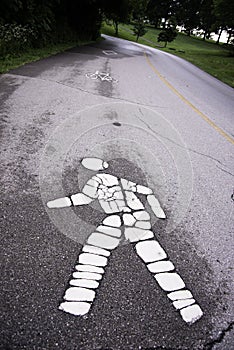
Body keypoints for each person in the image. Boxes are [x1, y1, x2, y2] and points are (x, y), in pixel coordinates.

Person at [47, 157, 203, 324]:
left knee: (94, 255)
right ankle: (187, 305)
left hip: (116, 218)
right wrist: (157, 210)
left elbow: (82, 199)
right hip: (138, 216)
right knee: (158, 262)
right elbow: (144, 191)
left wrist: (55, 203)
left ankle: (76, 302)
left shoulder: (95, 181)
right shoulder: (119, 180)